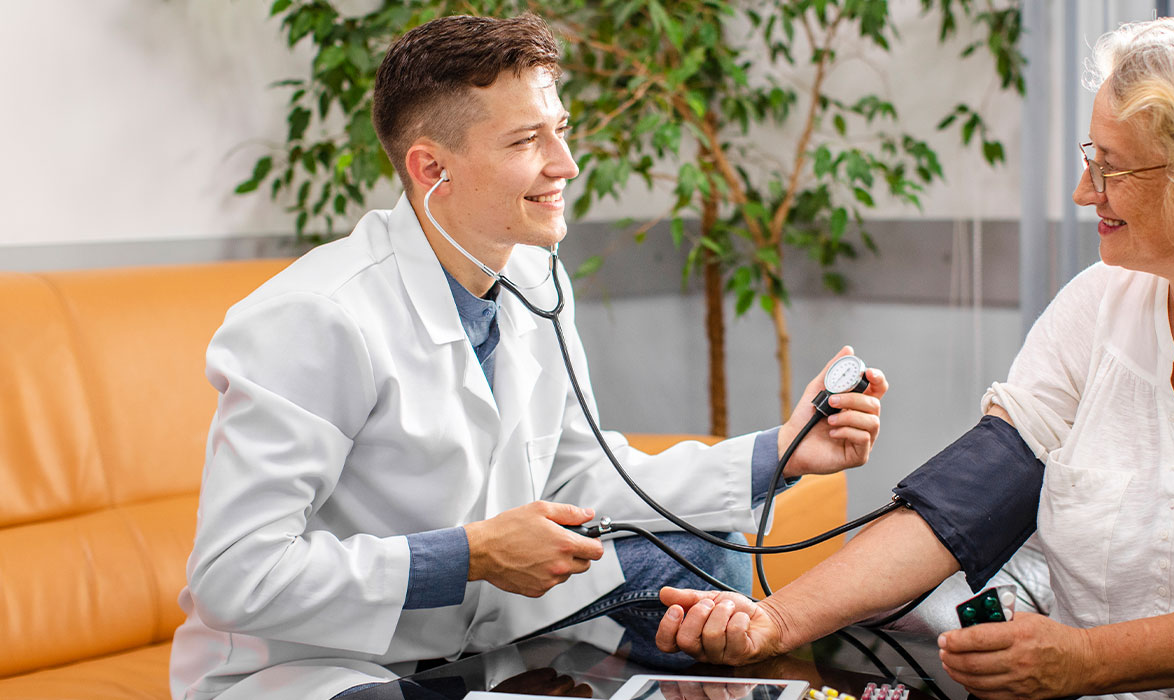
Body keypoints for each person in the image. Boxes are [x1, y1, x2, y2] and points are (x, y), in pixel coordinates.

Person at [656, 16, 1174, 699]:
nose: (1084, 191)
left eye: (1113, 167)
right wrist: (775, 621)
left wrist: (1087, 661)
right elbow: (969, 501)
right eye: (1091, 158)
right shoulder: (1101, 302)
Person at [168, 13, 888, 700]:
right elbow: (236, 576)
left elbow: (585, 476)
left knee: (712, 553)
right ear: (431, 168)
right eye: (525, 142)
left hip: (480, 632)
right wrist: (472, 555)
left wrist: (783, 453)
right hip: (320, 661)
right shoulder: (314, 317)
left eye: (561, 131)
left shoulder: (532, 274)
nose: (566, 165)